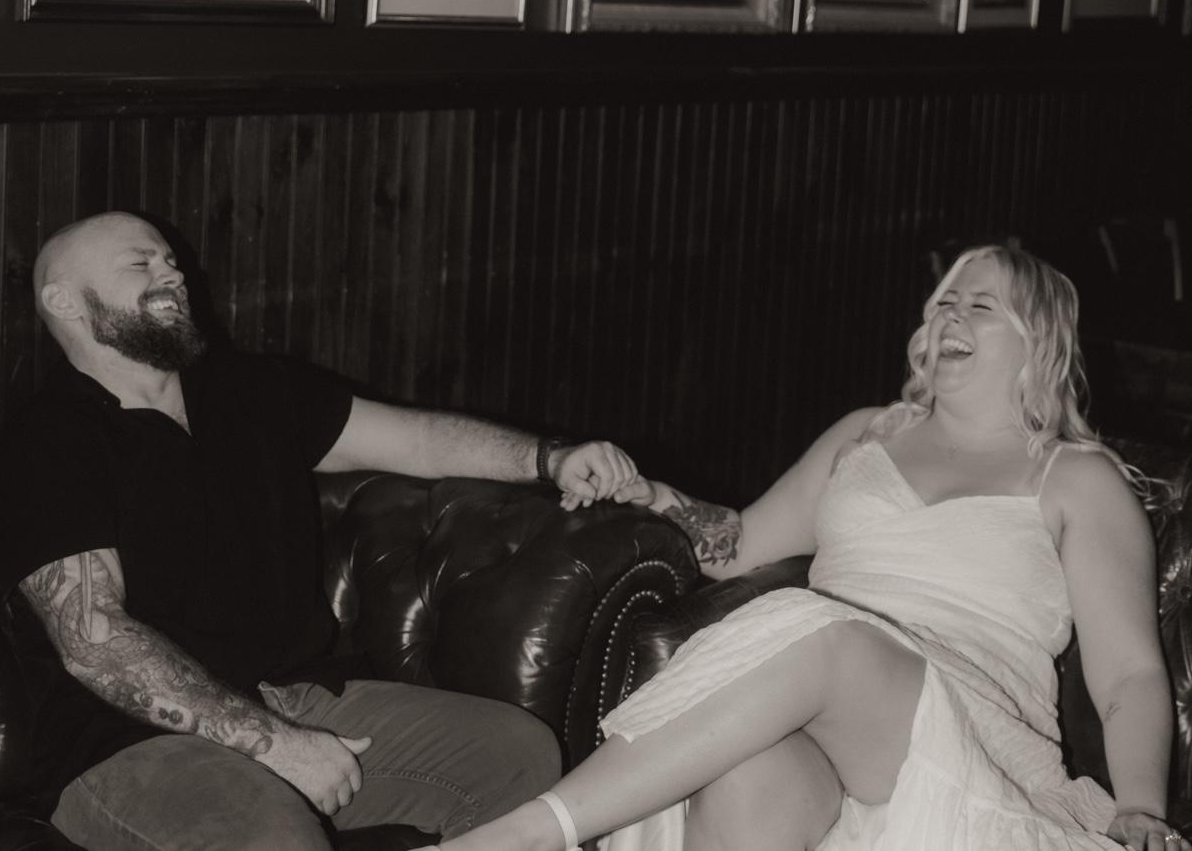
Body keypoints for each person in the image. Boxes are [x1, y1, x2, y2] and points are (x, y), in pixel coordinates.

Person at [426, 244, 1188, 851]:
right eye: (942, 303)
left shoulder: (1076, 477)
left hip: (970, 728)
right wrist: (653, 497)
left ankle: (527, 835)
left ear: (1040, 340)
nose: (950, 315)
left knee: (830, 636)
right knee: (746, 774)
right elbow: (739, 545)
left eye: (980, 306)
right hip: (820, 705)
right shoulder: (865, 434)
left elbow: (1129, 672)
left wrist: (1140, 806)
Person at [0, 210, 640, 851]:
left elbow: (418, 439)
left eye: (171, 261)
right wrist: (275, 746)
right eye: (139, 264)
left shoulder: (248, 391)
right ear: (64, 301)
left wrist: (548, 459)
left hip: (295, 697)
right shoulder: (49, 444)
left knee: (517, 756)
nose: (172, 274)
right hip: (125, 744)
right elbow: (94, 641)